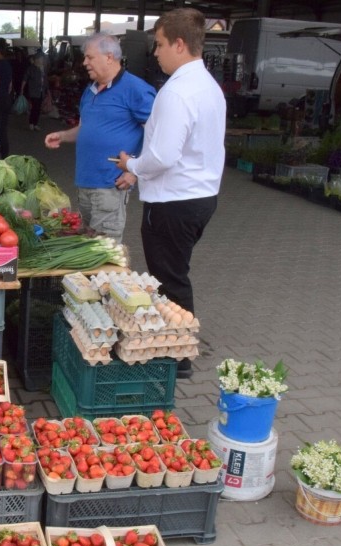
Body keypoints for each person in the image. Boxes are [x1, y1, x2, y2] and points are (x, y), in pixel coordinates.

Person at [115, 8, 226, 378]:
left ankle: (178, 356)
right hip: (200, 197)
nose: (156, 53)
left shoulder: (177, 92)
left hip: (173, 202)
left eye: (160, 45)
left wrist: (131, 166)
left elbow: (163, 155)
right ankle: (175, 345)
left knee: (170, 278)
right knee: (176, 271)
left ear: (180, 44)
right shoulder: (208, 86)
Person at [43, 33, 155, 241]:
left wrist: (135, 171)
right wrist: (63, 135)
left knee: (104, 249)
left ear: (109, 57)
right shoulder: (90, 90)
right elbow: (86, 128)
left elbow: (158, 134)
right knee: (88, 245)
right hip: (84, 183)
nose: (84, 62)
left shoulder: (136, 89)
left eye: (89, 57)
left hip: (110, 184)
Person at [20, 53, 48, 131]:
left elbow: (45, 80)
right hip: (33, 91)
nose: (42, 61)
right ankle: (31, 123)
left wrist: (47, 90)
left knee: (38, 108)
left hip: (41, 91)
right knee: (35, 107)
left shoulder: (43, 69)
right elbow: (25, 79)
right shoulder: (31, 68)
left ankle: (35, 123)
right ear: (37, 60)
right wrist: (22, 89)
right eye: (41, 59)